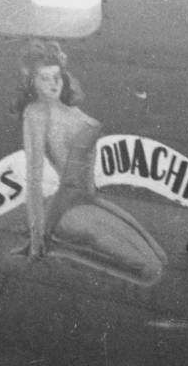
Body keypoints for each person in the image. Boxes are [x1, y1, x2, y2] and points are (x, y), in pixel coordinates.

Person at [13, 39, 166, 285]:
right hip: (66, 209)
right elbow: (33, 178)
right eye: (45, 78)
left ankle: (59, 244)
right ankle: (58, 246)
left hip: (87, 199)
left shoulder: (73, 112)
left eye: (56, 77)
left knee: (160, 257)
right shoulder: (36, 113)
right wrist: (37, 235)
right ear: (32, 82)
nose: (53, 83)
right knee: (150, 270)